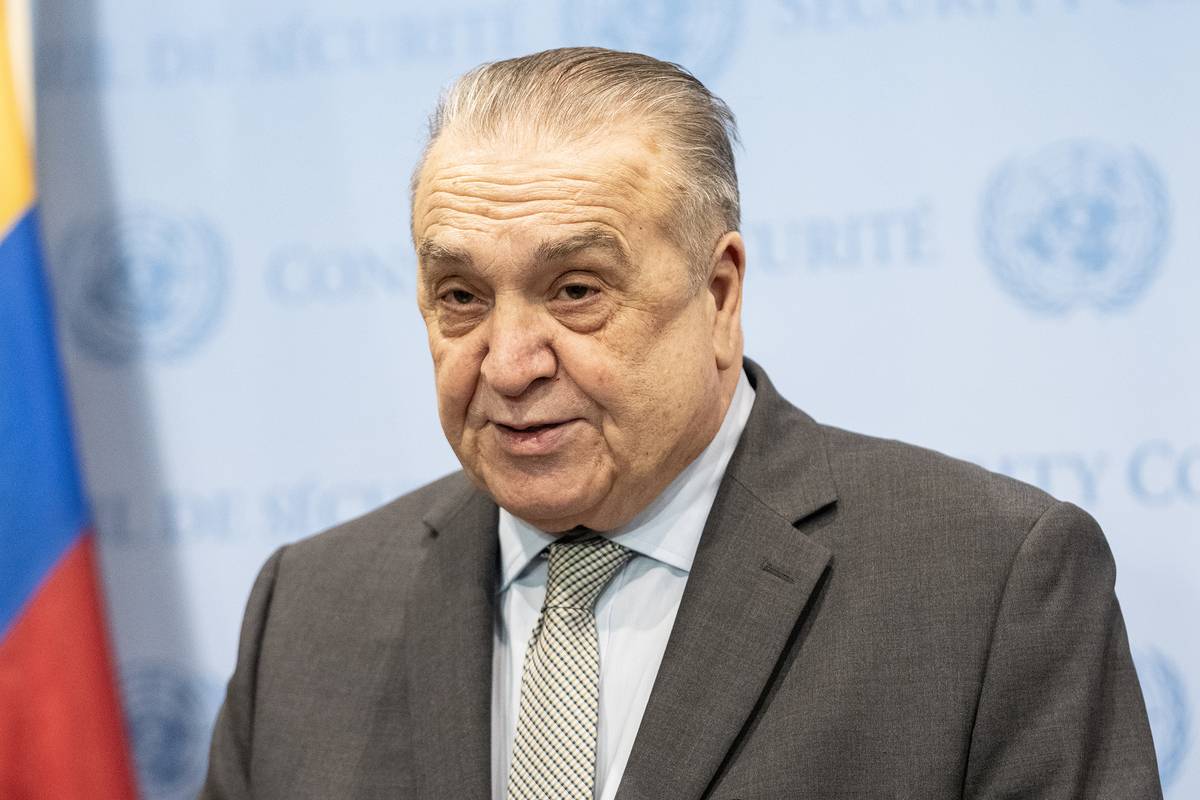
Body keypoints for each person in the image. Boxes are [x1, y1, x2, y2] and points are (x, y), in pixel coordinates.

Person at [201, 48, 1162, 799]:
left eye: (575, 291)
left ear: (719, 291)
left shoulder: (988, 583)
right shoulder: (310, 608)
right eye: (459, 296)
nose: (508, 363)